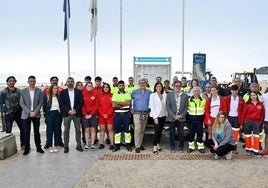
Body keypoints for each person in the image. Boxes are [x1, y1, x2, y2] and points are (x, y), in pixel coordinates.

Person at [20, 75, 44, 155]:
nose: (32, 83)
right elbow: (21, 103)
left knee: (37, 132)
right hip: (26, 114)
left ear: (35, 82)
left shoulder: (39, 91)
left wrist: (35, 112)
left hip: (36, 115)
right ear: (28, 82)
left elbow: (41, 102)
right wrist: (29, 112)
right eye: (31, 81)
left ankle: (38, 147)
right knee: (27, 132)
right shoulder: (23, 91)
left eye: (33, 81)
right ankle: (27, 148)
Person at [59, 77, 83, 153]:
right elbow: (62, 103)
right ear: (66, 82)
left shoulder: (78, 92)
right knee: (66, 130)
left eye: (71, 81)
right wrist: (69, 110)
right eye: (68, 81)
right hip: (67, 114)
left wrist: (75, 110)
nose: (70, 82)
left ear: (74, 82)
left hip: (77, 113)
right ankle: (66, 146)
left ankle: (78, 145)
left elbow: (81, 102)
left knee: (78, 130)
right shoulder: (63, 92)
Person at [0, 76, 24, 148]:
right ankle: (9, 147)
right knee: (8, 130)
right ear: (7, 82)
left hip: (19, 112)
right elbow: (1, 103)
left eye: (13, 81)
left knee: (23, 129)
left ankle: (23, 144)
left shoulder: (19, 91)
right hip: (9, 113)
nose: (11, 82)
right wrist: (5, 111)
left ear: (15, 82)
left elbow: (22, 101)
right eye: (10, 81)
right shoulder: (3, 92)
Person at [166, 80, 188, 153]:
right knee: (172, 133)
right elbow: (168, 107)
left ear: (181, 87)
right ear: (173, 86)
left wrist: (180, 115)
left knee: (181, 133)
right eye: (176, 86)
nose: (178, 87)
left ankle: (181, 147)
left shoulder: (185, 95)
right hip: (172, 118)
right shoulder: (169, 95)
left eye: (179, 86)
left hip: (181, 117)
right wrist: (174, 116)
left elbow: (186, 107)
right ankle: (172, 147)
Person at [222, 85, 244, 154]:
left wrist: (241, 123)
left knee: (235, 133)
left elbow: (243, 111)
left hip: (237, 118)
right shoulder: (226, 99)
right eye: (233, 90)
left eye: (236, 90)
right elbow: (223, 109)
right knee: (227, 132)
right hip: (228, 117)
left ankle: (234, 147)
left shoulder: (241, 99)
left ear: (238, 91)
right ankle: (226, 146)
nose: (234, 92)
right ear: (231, 91)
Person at [43, 76, 64, 149]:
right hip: (50, 115)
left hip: (58, 114)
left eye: (56, 80)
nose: (54, 81)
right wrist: (47, 115)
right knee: (49, 130)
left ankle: (57, 143)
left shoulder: (59, 95)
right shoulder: (47, 96)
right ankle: (49, 144)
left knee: (58, 129)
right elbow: (44, 107)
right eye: (53, 80)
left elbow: (61, 105)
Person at [241, 91, 264, 157]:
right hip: (247, 121)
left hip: (256, 122)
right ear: (250, 97)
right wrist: (242, 123)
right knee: (248, 136)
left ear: (256, 96)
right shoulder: (247, 104)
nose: (253, 96)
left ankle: (256, 151)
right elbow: (243, 114)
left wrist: (260, 123)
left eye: (254, 95)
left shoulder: (260, 104)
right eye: (251, 95)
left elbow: (262, 115)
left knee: (256, 136)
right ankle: (248, 149)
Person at [131, 78, 151, 153]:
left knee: (142, 130)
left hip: (145, 113)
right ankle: (137, 146)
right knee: (137, 130)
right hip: (137, 113)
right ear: (138, 84)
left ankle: (140, 143)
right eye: (141, 83)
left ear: (146, 84)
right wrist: (131, 109)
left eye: (144, 83)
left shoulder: (149, 92)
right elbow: (131, 101)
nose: (142, 84)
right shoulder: (134, 92)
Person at [112, 80, 132, 152]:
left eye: (122, 85)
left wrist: (119, 103)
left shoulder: (128, 94)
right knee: (117, 131)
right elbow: (114, 105)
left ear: (124, 86)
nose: (121, 86)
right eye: (120, 85)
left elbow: (128, 103)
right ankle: (117, 146)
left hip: (126, 115)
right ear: (118, 86)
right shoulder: (115, 94)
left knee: (127, 131)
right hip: (117, 115)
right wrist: (123, 103)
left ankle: (128, 145)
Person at [149, 82, 167, 155]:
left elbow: (166, 106)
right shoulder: (152, 95)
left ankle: (158, 144)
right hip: (156, 116)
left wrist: (166, 115)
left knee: (160, 131)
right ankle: (154, 146)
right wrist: (155, 117)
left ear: (162, 87)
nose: (159, 88)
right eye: (157, 86)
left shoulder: (164, 95)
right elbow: (152, 107)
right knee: (157, 131)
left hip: (163, 115)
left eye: (160, 86)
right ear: (155, 87)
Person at [187, 86, 206, 153]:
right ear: (193, 92)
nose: (196, 92)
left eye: (198, 91)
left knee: (200, 133)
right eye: (195, 91)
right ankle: (191, 147)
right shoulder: (189, 100)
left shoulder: (203, 100)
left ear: (200, 92)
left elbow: (205, 110)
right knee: (191, 133)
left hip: (200, 118)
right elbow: (187, 109)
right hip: (191, 118)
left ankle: (200, 147)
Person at [81, 82, 99, 150]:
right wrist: (85, 114)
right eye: (88, 86)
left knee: (93, 129)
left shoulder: (95, 94)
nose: (89, 87)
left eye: (91, 86)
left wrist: (91, 114)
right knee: (86, 129)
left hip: (93, 114)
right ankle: (86, 144)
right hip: (85, 114)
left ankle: (92, 144)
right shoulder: (83, 94)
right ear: (86, 87)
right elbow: (82, 106)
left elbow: (96, 105)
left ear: (92, 87)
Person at [98, 83, 114, 150]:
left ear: (109, 88)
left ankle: (112, 144)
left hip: (109, 116)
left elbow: (113, 106)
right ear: (103, 88)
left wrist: (107, 114)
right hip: (102, 116)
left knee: (110, 129)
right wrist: (103, 114)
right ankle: (101, 143)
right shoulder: (100, 96)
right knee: (102, 130)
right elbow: (98, 106)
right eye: (104, 87)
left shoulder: (112, 95)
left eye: (107, 87)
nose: (106, 88)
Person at [260, 90, 268, 155]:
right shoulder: (264, 96)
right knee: (267, 135)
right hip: (267, 119)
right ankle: (266, 149)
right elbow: (259, 103)